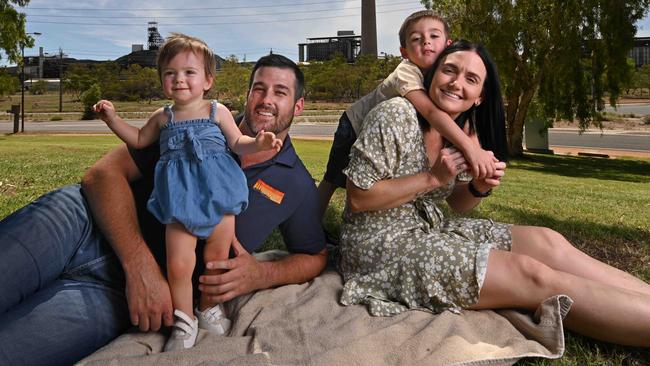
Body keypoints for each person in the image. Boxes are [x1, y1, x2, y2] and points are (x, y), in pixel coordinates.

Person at [0, 53, 327, 366]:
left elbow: (314, 256)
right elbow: (102, 175)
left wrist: (262, 273)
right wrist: (139, 266)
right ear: (248, 93)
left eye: (280, 92)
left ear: (298, 105)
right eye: (259, 88)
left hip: (115, 296)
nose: (266, 99)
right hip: (80, 224)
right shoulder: (195, 118)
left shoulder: (296, 183)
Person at [339, 40, 650, 347]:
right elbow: (359, 198)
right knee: (531, 276)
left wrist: (478, 187)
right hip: (378, 246)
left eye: (471, 79)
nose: (456, 83)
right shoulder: (394, 114)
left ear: (479, 96)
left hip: (432, 228)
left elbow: (458, 204)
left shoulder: (457, 130)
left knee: (547, 241)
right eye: (449, 70)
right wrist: (432, 178)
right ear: (433, 74)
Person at [93, 33, 283, 351]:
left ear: (207, 80)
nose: (179, 79)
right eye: (171, 73)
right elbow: (139, 140)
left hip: (220, 193)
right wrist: (112, 119)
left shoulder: (217, 111)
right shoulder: (162, 117)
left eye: (189, 72)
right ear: (162, 80)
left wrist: (259, 143)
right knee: (179, 263)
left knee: (216, 258)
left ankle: (208, 306)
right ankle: (184, 319)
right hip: (179, 197)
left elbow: (238, 143)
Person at [317, 10, 497, 217]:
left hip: (383, 131)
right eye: (416, 39)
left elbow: (463, 119)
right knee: (332, 180)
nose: (426, 42)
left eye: (434, 36)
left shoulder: (446, 76)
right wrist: (470, 148)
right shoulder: (406, 72)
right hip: (355, 123)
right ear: (404, 52)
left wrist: (477, 151)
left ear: (449, 44)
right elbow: (430, 111)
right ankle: (311, 232)